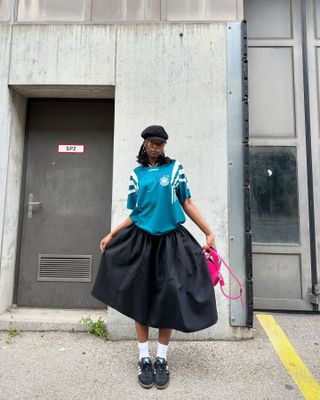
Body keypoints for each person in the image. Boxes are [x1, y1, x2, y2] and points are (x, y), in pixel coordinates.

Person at [91, 125, 218, 390]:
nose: (157, 147)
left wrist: (208, 232)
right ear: (145, 144)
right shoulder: (136, 176)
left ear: (164, 146)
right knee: (141, 298)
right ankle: (144, 359)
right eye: (152, 142)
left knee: (169, 298)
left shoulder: (175, 170)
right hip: (141, 242)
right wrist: (112, 233)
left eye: (160, 143)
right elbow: (136, 214)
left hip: (171, 241)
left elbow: (187, 203)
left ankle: (162, 360)